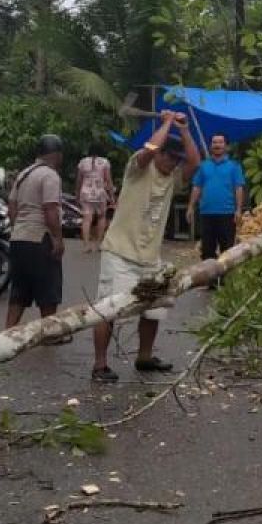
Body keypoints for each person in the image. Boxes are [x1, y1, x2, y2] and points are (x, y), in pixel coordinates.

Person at [92, 111, 200, 382]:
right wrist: (165, 123)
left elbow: (195, 163)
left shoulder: (173, 178)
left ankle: (144, 356)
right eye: (170, 157)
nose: (174, 163)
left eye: (177, 160)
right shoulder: (138, 167)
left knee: (155, 307)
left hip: (150, 256)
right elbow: (149, 149)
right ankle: (100, 364)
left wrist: (183, 129)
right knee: (108, 308)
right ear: (161, 154)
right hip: (120, 251)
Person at [4, 134, 66, 333]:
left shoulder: (23, 174)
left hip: (19, 238)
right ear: (56, 154)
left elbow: (12, 206)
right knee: (49, 288)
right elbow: (50, 210)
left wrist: (18, 228)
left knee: (20, 289)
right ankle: (50, 333)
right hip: (40, 238)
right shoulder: (50, 175)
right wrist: (57, 238)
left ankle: (8, 332)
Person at [188, 133, 247, 283]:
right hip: (206, 214)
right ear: (210, 145)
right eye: (214, 142)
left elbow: (238, 188)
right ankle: (212, 281)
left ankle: (226, 280)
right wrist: (190, 206)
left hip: (227, 214)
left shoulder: (234, 166)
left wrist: (238, 209)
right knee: (207, 250)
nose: (217, 145)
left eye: (220, 142)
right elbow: (197, 187)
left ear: (226, 146)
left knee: (227, 250)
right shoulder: (203, 166)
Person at [76, 144, 115, 252]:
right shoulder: (105, 162)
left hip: (86, 193)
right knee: (101, 218)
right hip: (99, 193)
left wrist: (77, 193)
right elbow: (108, 180)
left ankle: (86, 246)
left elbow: (79, 179)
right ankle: (98, 244)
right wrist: (112, 196)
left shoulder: (83, 162)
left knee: (86, 219)